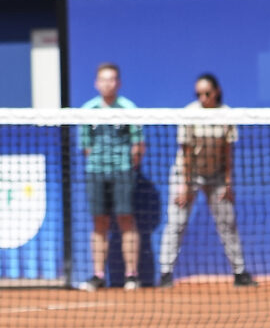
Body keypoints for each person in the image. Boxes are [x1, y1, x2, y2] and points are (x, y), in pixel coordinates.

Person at [157, 73, 252, 289]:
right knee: (176, 223)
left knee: (227, 222)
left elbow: (228, 152)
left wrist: (228, 184)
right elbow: (186, 152)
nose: (203, 98)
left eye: (207, 93)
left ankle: (240, 272)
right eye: (198, 94)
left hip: (217, 174)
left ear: (216, 92)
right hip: (187, 173)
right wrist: (185, 186)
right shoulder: (189, 114)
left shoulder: (227, 114)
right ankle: (165, 272)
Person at [78, 62, 144, 291]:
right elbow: (85, 145)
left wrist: (127, 166)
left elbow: (138, 143)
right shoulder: (88, 111)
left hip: (122, 170)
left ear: (119, 83)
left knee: (126, 219)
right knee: (99, 223)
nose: (108, 83)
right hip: (96, 172)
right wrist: (98, 162)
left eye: (112, 79)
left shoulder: (128, 108)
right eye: (104, 79)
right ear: (97, 84)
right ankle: (98, 275)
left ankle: (132, 275)